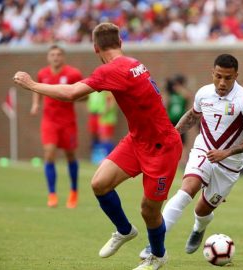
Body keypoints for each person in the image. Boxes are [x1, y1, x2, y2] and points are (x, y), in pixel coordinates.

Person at [14, 22, 182, 270]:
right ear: (121, 43)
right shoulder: (132, 62)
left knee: (149, 210)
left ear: (95, 48)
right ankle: (124, 230)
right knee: (99, 184)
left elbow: (72, 93)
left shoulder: (112, 70)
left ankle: (158, 255)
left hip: (162, 147)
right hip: (138, 140)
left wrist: (32, 85)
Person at [140, 54, 243, 259]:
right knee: (186, 190)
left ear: (236, 76)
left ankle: (198, 228)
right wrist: (173, 134)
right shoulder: (204, 93)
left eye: (228, 78)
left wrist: (227, 152)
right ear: (212, 73)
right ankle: (153, 244)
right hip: (202, 150)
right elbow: (193, 115)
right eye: (218, 76)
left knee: (203, 210)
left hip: (230, 164)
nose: (222, 83)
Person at [30, 45, 83, 209]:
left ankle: (74, 191)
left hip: (68, 122)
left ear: (63, 57)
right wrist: (35, 104)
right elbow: (37, 88)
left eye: (59, 54)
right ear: (48, 57)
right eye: (52, 54)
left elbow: (84, 94)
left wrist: (78, 97)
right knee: (49, 153)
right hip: (49, 121)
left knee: (70, 155)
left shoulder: (73, 74)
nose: (55, 57)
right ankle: (52, 194)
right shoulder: (42, 73)